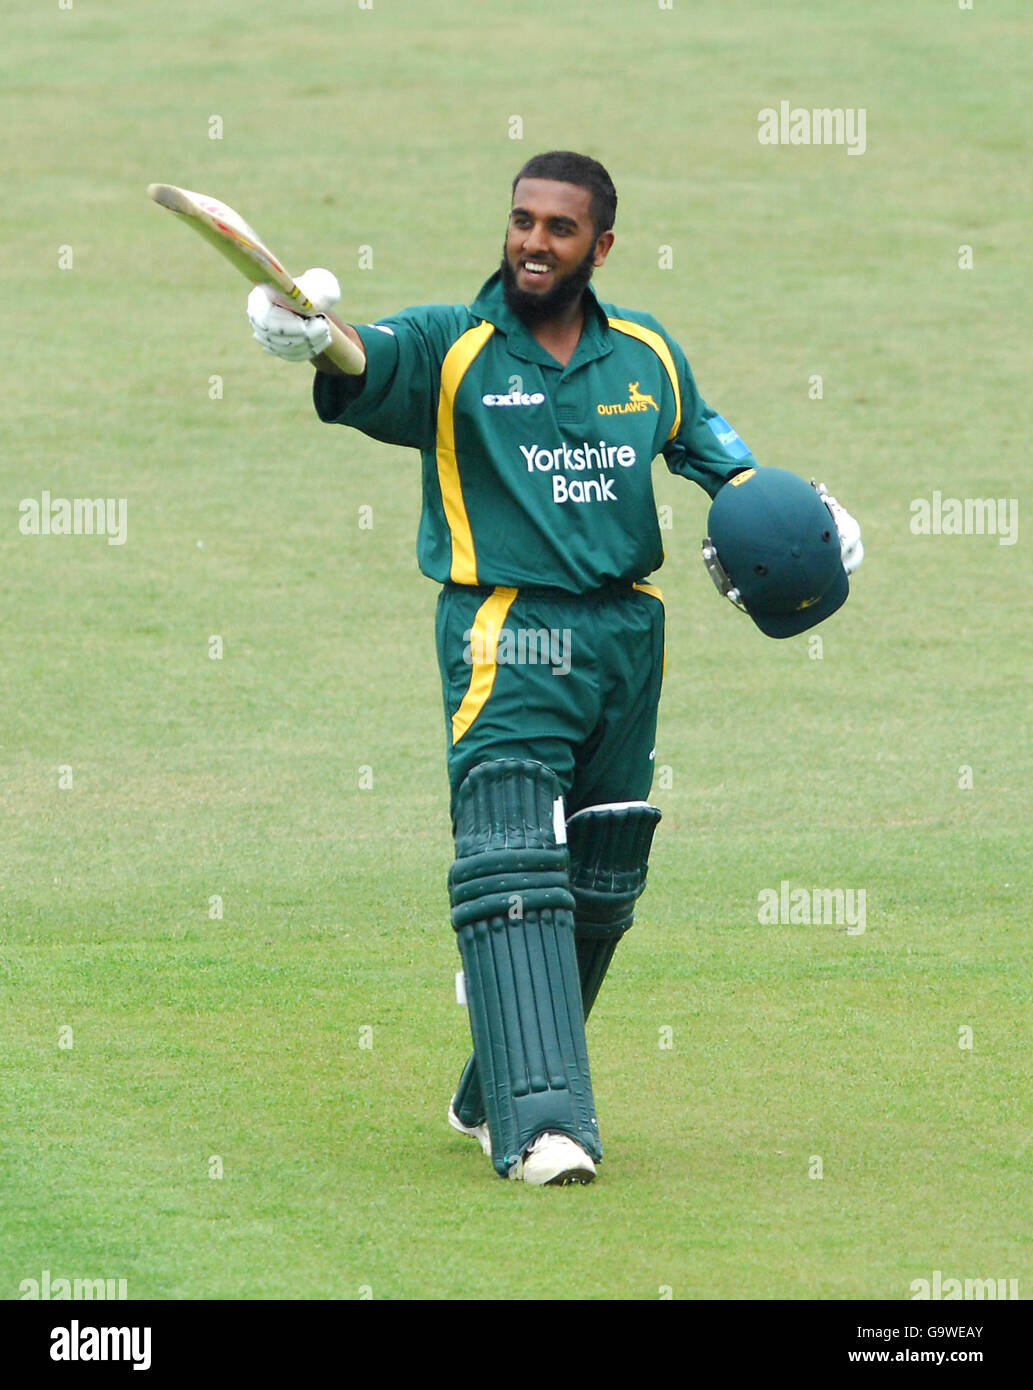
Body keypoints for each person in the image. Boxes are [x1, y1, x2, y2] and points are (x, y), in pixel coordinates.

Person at [246, 150, 862, 1186]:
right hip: (506, 628)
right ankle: (541, 1126)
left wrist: (804, 514)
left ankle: (488, 1090)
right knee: (514, 862)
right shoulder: (456, 344)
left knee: (602, 874)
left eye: (559, 227)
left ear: (601, 246)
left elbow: (720, 456)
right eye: (522, 220)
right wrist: (314, 339)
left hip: (627, 638)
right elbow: (368, 356)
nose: (534, 240)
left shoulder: (646, 356)